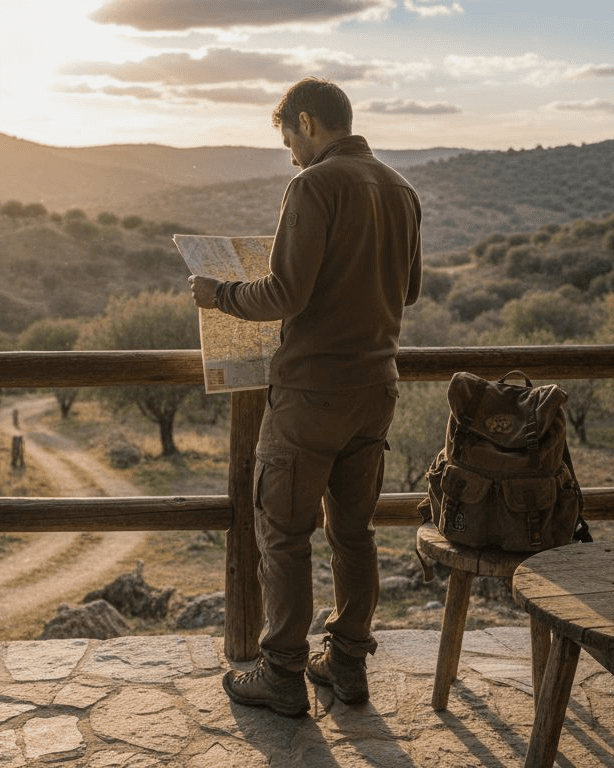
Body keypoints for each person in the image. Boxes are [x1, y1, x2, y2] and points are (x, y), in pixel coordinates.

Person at [188, 77, 422, 717]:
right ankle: (346, 666)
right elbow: (409, 291)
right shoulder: (403, 189)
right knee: (354, 532)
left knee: (284, 533)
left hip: (311, 394)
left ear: (308, 122)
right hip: (377, 390)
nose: (289, 151)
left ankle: (283, 674)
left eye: (288, 136)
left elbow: (284, 295)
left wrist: (221, 295)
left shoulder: (311, 187)